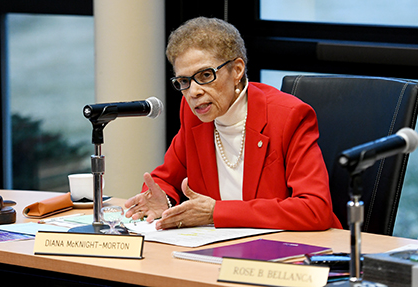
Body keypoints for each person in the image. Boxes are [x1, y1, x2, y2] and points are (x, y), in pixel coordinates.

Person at [125, 16, 342, 231]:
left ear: (237, 70)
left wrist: (216, 212)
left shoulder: (288, 117)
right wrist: (165, 201)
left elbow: (315, 209)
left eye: (205, 75)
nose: (193, 92)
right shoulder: (194, 114)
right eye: (184, 81)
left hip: (294, 249)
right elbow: (164, 179)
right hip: (222, 248)